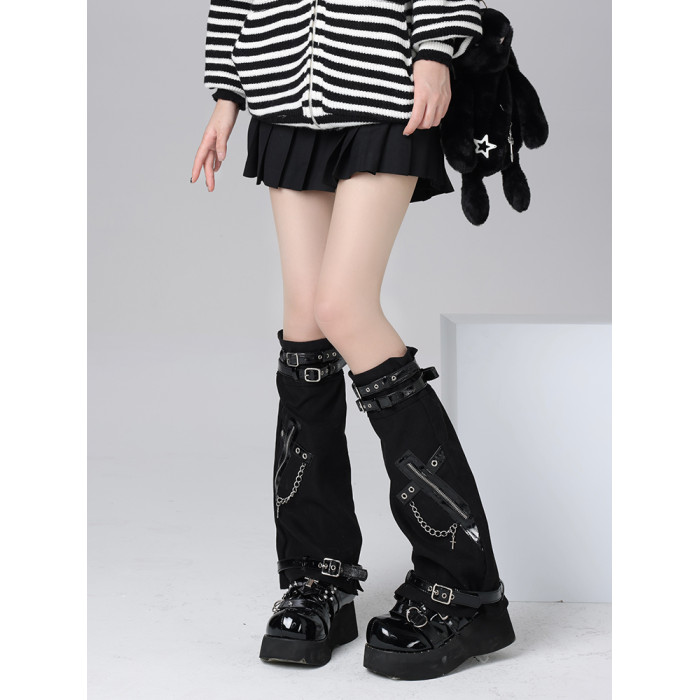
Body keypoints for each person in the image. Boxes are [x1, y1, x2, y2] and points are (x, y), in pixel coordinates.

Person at [191, 0, 515, 681]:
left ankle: (465, 587)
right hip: (280, 91)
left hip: (382, 87)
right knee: (305, 325)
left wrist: (435, 49)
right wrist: (228, 93)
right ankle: (319, 576)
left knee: (345, 308)